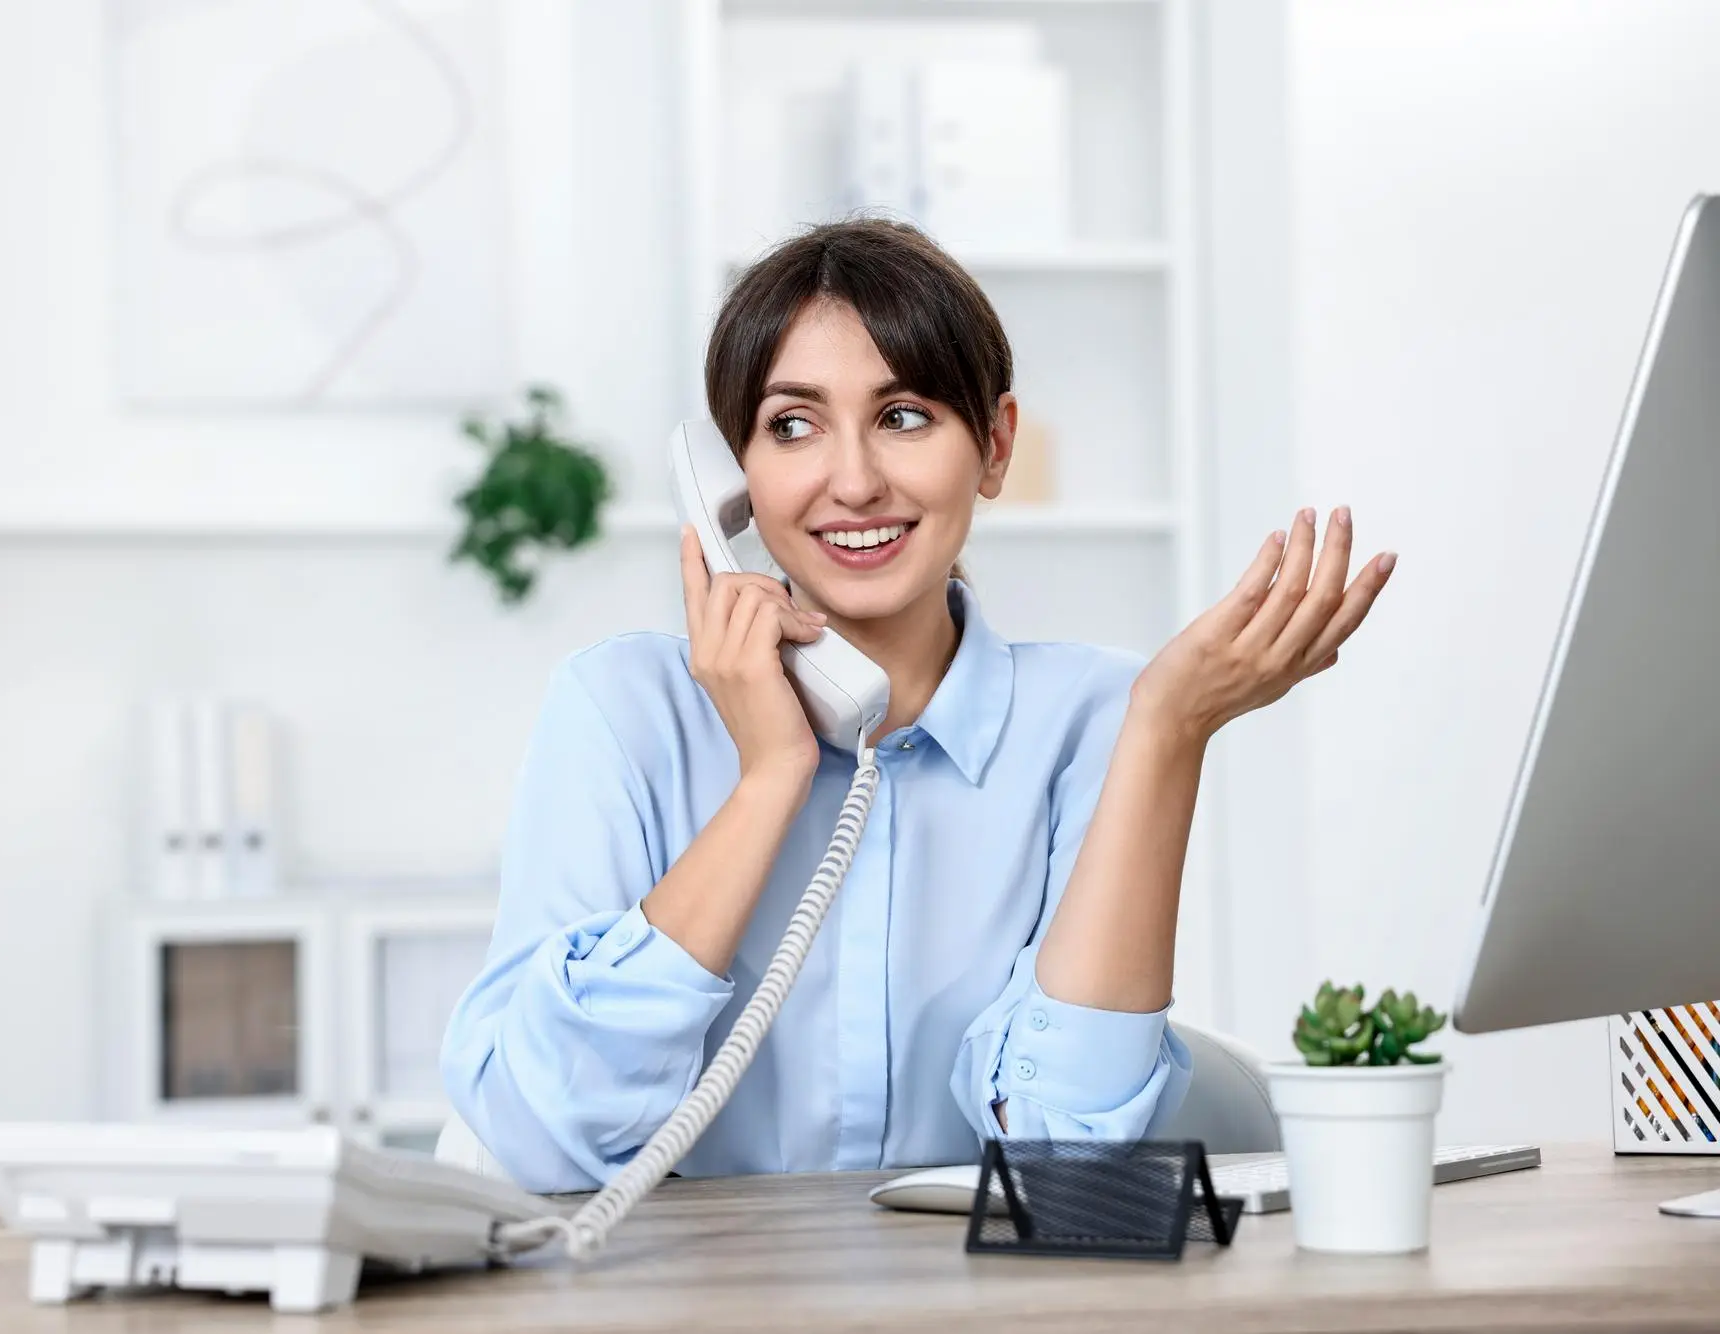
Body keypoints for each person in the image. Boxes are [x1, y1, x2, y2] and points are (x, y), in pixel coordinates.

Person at [441, 218, 1393, 1194]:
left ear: (992, 445)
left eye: (902, 416)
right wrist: (770, 776)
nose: (852, 482)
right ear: (730, 478)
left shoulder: (1097, 718)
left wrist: (1167, 730)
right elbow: (543, 1140)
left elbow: (1062, 1156)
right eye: (791, 424)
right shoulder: (621, 711)